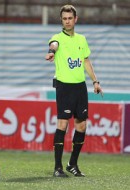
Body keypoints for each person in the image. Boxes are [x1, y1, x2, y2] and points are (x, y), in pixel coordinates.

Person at [45, 5, 103, 177]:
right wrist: (50, 52)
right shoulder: (57, 38)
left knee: (82, 125)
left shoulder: (81, 40)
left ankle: (73, 164)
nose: (67, 21)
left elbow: (86, 61)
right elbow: (54, 45)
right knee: (63, 124)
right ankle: (57, 168)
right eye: (64, 18)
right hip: (64, 86)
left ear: (75, 19)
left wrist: (95, 81)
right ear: (61, 20)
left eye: (70, 18)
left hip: (80, 87)